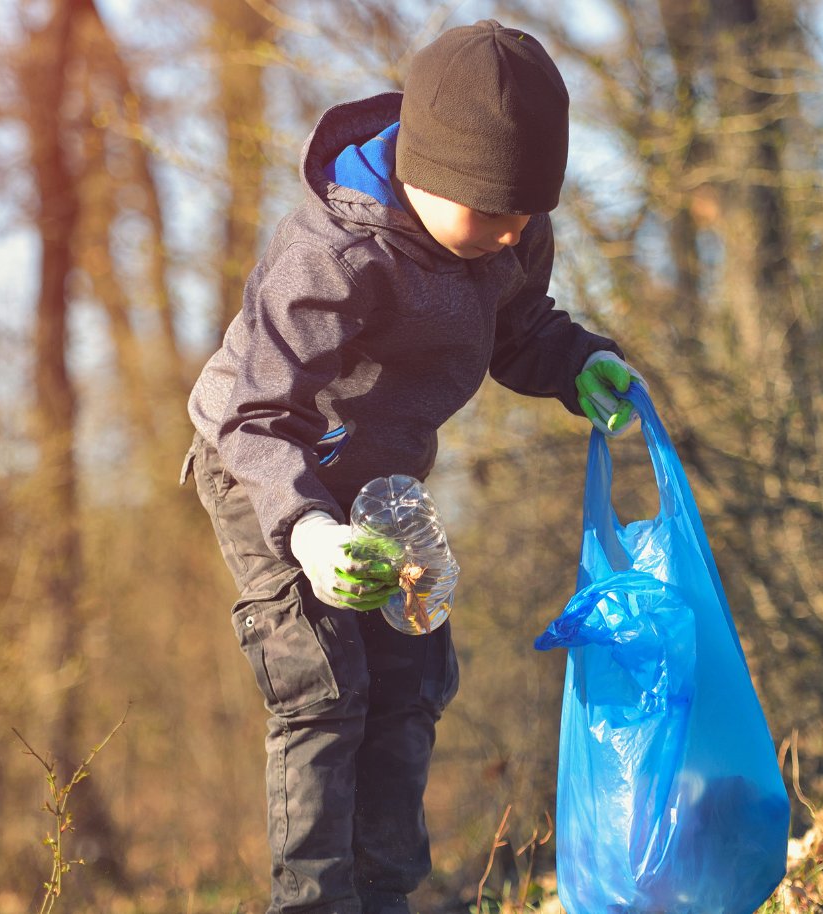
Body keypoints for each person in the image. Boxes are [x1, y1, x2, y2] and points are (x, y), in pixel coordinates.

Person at [180, 19, 642, 914]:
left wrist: (576, 360)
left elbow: (521, 326)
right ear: (428, 172)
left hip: (380, 480)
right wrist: (307, 531)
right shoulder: (334, 255)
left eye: (527, 211)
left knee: (411, 674)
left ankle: (386, 894)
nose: (512, 235)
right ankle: (314, 903)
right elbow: (259, 412)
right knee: (324, 682)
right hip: (265, 468)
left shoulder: (507, 234)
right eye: (493, 210)